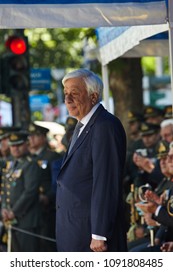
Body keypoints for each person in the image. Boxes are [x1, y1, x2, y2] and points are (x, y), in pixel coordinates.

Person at [56, 68, 127, 252]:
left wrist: (99, 233)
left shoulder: (104, 126)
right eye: (65, 94)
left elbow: (106, 181)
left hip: (91, 236)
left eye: (74, 93)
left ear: (93, 96)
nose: (67, 99)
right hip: (75, 230)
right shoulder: (82, 125)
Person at [1, 131, 42, 251]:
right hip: (11, 220)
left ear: (26, 144)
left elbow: (30, 192)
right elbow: (4, 188)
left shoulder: (31, 164)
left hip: (26, 221)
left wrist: (14, 211)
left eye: (18, 145)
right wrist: (4, 208)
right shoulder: (11, 164)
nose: (15, 149)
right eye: (13, 145)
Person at [28, 122, 62, 251]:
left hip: (48, 207)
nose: (31, 139)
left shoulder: (52, 156)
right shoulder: (29, 158)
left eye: (35, 136)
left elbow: (57, 182)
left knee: (47, 243)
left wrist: (47, 196)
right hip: (33, 206)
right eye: (30, 136)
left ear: (43, 137)